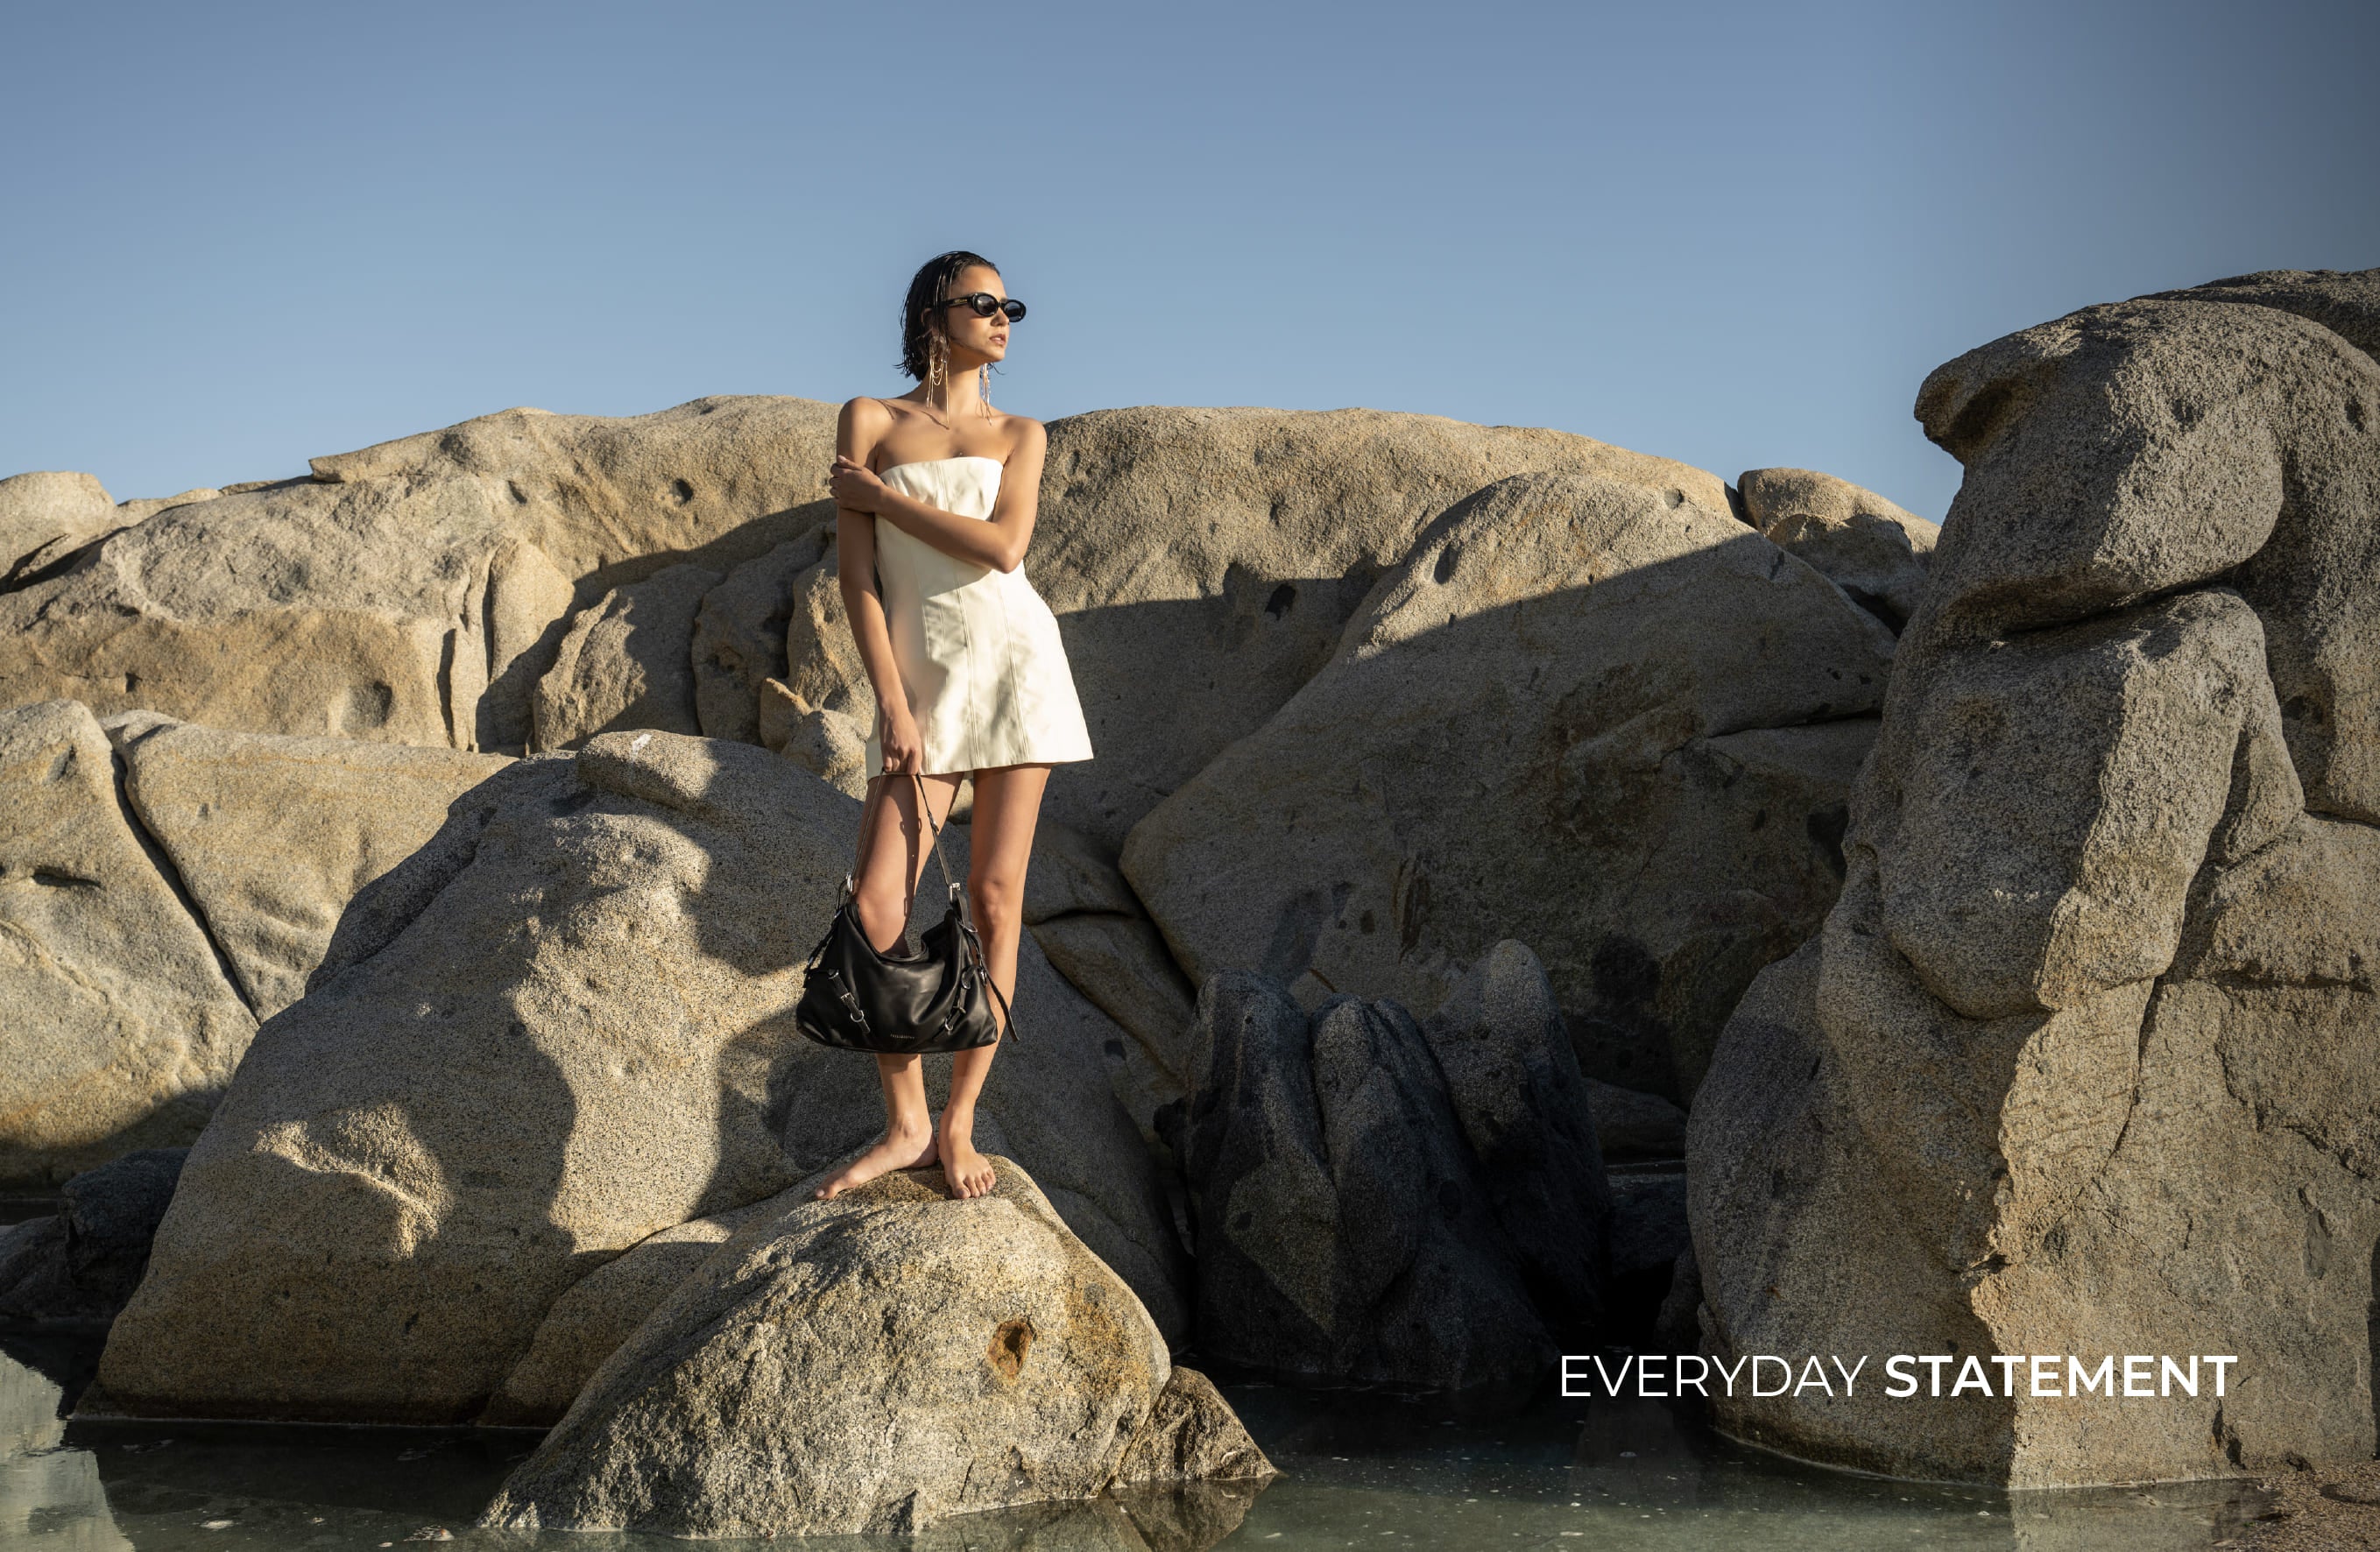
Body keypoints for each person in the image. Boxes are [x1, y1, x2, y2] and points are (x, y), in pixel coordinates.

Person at [812, 250, 1094, 1202]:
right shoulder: (870, 418)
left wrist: (885, 498)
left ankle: (960, 1121)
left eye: (1010, 306)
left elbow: (1005, 548)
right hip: (922, 687)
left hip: (1016, 668)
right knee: (877, 907)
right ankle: (905, 1123)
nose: (1001, 317)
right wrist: (890, 702)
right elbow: (858, 580)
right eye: (981, 302)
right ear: (933, 314)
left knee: (997, 898)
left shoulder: (1021, 432)